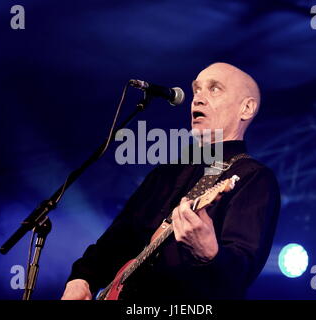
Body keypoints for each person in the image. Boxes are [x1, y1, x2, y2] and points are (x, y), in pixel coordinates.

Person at [61, 62, 281, 300]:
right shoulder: (166, 173)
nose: (197, 98)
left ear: (246, 108)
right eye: (196, 89)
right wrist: (82, 278)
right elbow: (119, 237)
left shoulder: (253, 177)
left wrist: (210, 255)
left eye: (214, 89)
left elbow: (241, 272)